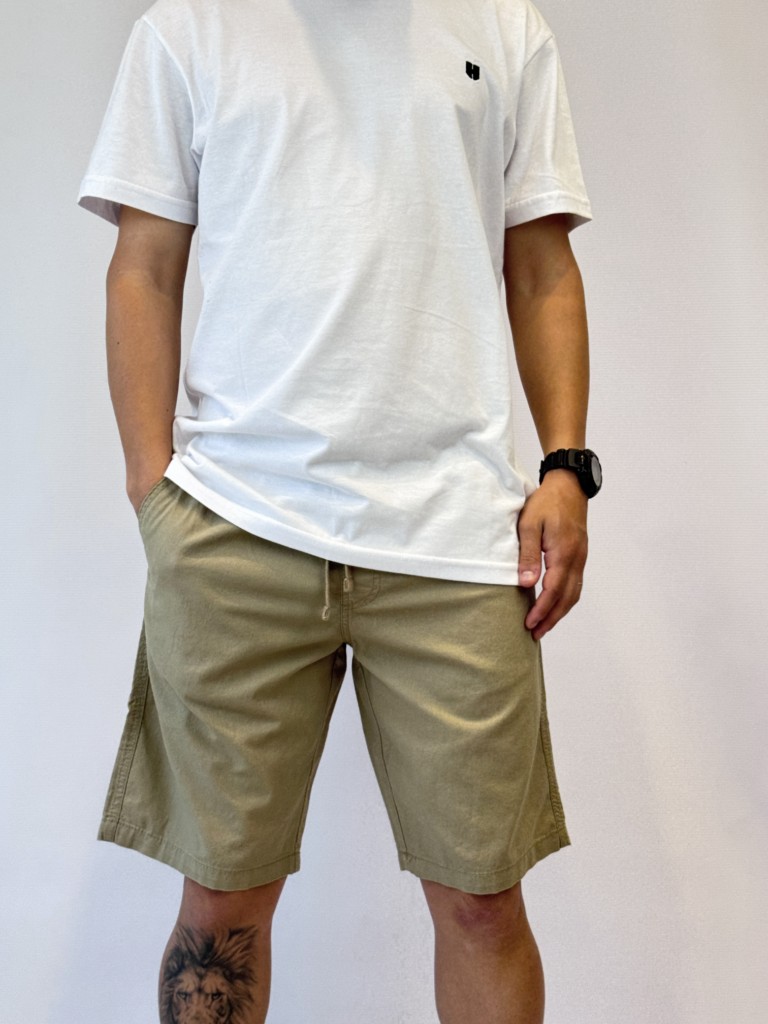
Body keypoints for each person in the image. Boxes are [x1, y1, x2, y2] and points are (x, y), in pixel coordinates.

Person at [77, 0, 602, 1020]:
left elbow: (542, 268)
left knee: (482, 899)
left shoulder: (503, 28)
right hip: (236, 530)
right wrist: (154, 487)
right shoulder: (189, 30)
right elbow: (143, 267)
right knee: (222, 902)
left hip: (456, 539)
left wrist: (566, 467)